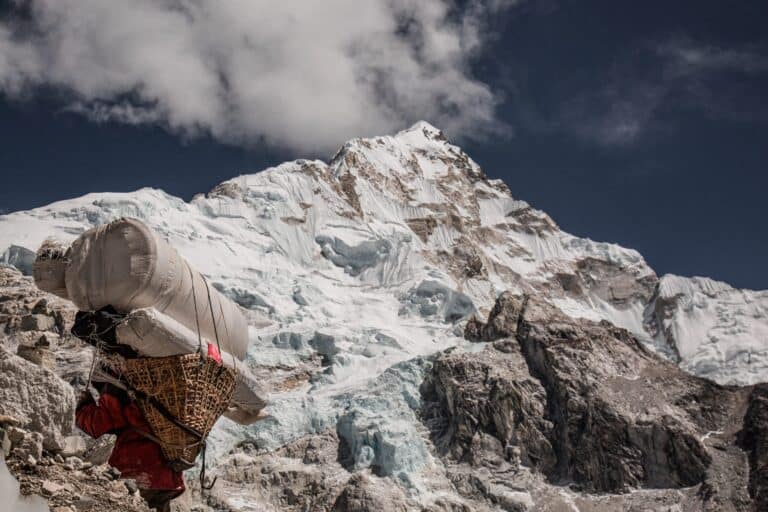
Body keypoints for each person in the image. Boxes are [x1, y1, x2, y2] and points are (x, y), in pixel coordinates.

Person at [76, 383, 184, 512]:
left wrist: (83, 406)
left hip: (138, 469)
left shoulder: (120, 383)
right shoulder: (173, 387)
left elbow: (98, 423)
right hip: (168, 474)